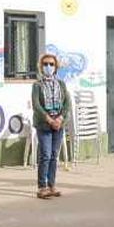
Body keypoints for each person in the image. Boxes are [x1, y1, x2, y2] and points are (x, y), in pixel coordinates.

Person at [31, 52, 71, 199]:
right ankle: (42, 187)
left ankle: (52, 185)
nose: (48, 66)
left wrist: (59, 119)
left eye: (51, 64)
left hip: (58, 124)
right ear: (41, 67)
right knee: (46, 155)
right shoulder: (37, 85)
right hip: (44, 125)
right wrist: (49, 120)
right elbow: (36, 105)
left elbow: (67, 103)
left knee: (54, 156)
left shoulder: (61, 84)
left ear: (56, 67)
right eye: (45, 64)